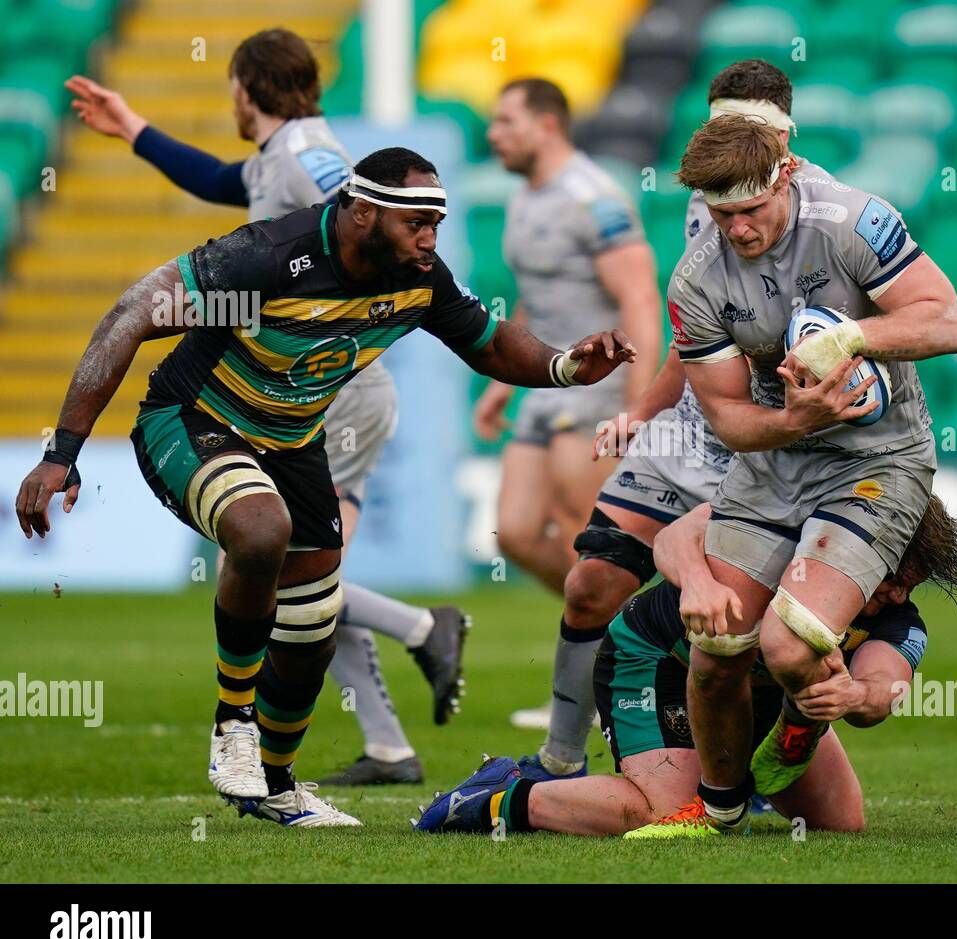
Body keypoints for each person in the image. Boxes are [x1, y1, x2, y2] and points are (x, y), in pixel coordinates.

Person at [14, 147, 636, 827]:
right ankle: (233, 726)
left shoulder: (419, 276)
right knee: (259, 529)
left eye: (437, 221)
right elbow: (131, 314)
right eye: (415, 222)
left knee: (311, 625)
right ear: (362, 211)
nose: (430, 237)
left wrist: (567, 366)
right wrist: (61, 453)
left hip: (292, 441)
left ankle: (278, 787)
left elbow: (487, 343)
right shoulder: (269, 258)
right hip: (192, 421)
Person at [65, 28, 466, 785]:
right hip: (311, 376)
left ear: (247, 88)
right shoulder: (287, 149)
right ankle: (385, 737)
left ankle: (413, 642)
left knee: (274, 555)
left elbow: (343, 230)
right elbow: (228, 181)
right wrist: (136, 132)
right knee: (278, 556)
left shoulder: (309, 154)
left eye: (232, 87)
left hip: (325, 381)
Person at [641, 114, 957, 836]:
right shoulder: (697, 280)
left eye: (752, 210)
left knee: (791, 645)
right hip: (774, 460)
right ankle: (721, 808)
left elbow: (947, 322)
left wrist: (851, 336)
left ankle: (797, 725)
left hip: (878, 462)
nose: (739, 229)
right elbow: (727, 417)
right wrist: (799, 420)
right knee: (719, 645)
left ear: (784, 177)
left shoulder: (855, 222)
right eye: (722, 214)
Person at [514, 59, 834, 784]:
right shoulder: (704, 204)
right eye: (720, 124)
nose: (731, 140)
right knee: (590, 584)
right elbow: (693, 343)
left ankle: (745, 773)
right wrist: (640, 413)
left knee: (737, 632)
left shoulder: (825, 218)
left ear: (785, 137)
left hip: (765, 455)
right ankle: (558, 762)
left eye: (748, 128)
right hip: (685, 436)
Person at [411, 496, 957, 837]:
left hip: (758, 697)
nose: (899, 597)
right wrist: (700, 583)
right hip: (657, 662)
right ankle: (498, 796)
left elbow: (885, 686)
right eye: (894, 576)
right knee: (663, 814)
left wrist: (856, 698)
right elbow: (676, 535)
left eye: (912, 586)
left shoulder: (895, 616)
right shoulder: (793, 517)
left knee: (842, 825)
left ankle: (737, 774)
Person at [469, 78, 661, 737]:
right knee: (518, 531)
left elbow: (640, 298)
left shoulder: (594, 198)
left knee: (597, 550)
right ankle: (613, 655)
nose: (493, 133)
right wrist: (504, 378)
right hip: (546, 388)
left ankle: (606, 688)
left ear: (547, 125)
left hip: (597, 391)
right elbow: (539, 296)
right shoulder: (525, 198)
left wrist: (636, 407)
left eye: (505, 120)